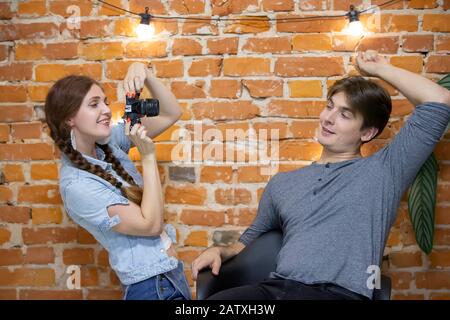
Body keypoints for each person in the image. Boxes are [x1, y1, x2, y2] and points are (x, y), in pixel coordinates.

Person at [191, 50, 450, 300]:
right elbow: (247, 240)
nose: (328, 118)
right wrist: (220, 251)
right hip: (275, 288)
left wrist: (378, 68)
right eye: (329, 107)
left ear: (367, 133)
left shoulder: (384, 172)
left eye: (345, 115)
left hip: (338, 294)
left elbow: (439, 100)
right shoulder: (282, 183)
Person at [45, 62, 191, 300]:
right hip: (151, 289)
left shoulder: (108, 141)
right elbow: (150, 226)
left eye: (104, 101)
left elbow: (171, 113)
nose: (105, 109)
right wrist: (148, 156)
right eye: (94, 104)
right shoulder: (77, 186)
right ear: (69, 118)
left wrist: (144, 71)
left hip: (171, 277)